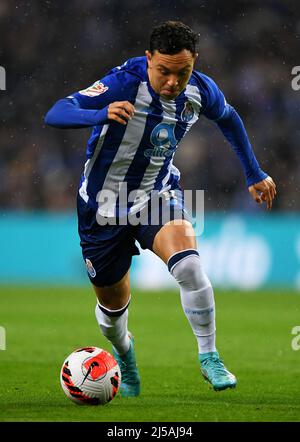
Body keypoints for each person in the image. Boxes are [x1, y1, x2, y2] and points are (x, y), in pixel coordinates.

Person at [45, 21, 276, 395]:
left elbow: (229, 119)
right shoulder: (121, 83)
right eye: (163, 71)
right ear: (149, 59)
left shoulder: (200, 89)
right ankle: (126, 354)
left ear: (194, 63)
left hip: (156, 195)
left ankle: (210, 356)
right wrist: (98, 114)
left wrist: (254, 172)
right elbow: (56, 112)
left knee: (189, 265)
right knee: (112, 312)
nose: (172, 82)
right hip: (102, 209)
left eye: (181, 72)